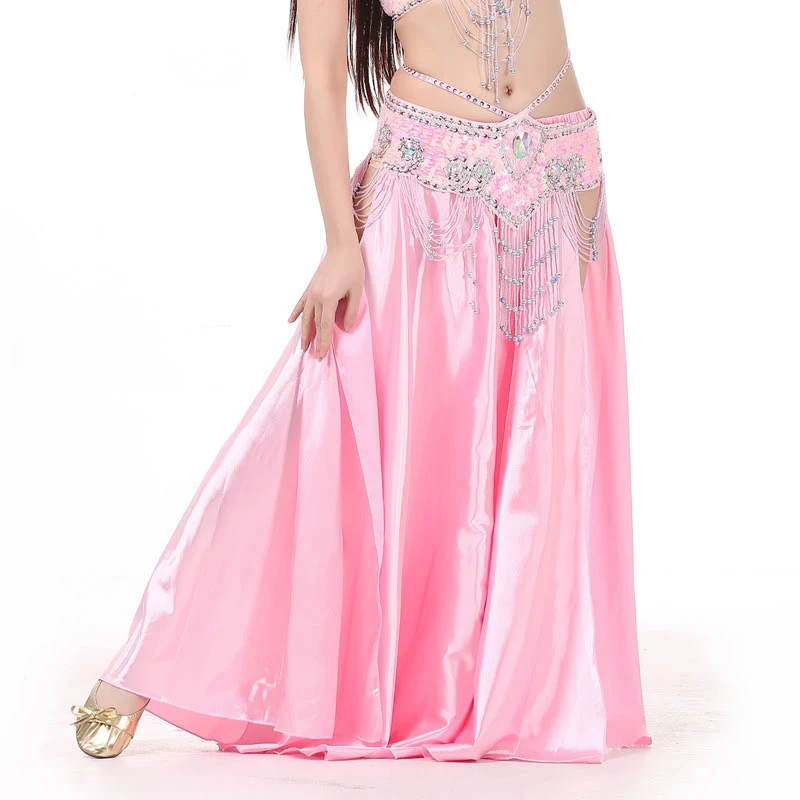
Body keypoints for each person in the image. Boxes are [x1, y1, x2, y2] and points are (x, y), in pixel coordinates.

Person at [71, 0, 651, 762]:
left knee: (534, 442)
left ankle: (513, 678)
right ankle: (151, 658)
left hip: (561, 179)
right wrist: (340, 244)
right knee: (328, 422)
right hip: (425, 195)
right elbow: (322, 78)